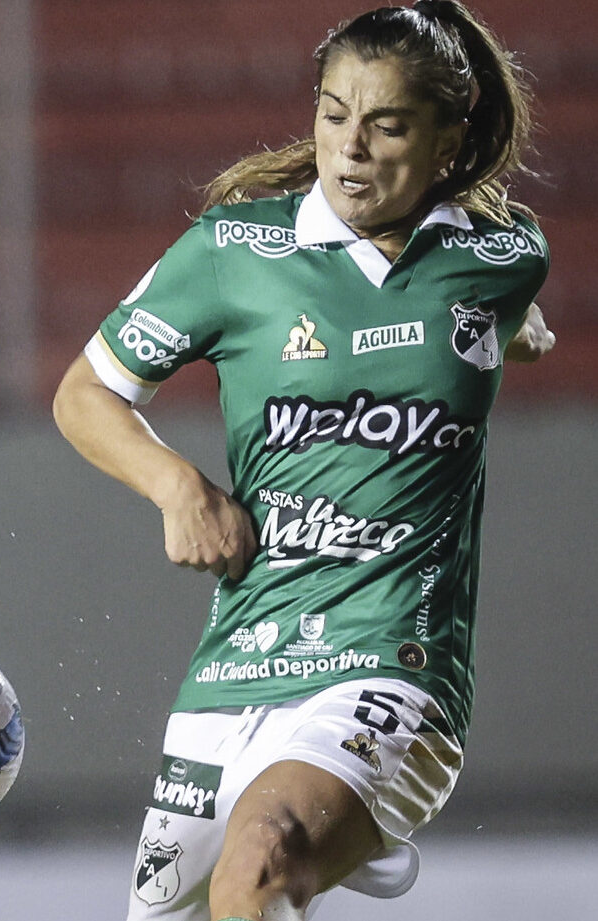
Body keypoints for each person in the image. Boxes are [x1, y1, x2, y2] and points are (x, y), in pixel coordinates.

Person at [50, 4, 552, 920]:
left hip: (394, 661)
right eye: (332, 114)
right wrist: (177, 485)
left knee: (260, 862)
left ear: (449, 138)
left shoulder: (501, 257)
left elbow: (486, 315)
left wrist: (512, 333)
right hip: (235, 666)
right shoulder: (232, 253)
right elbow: (84, 395)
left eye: (387, 124)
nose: (349, 146)